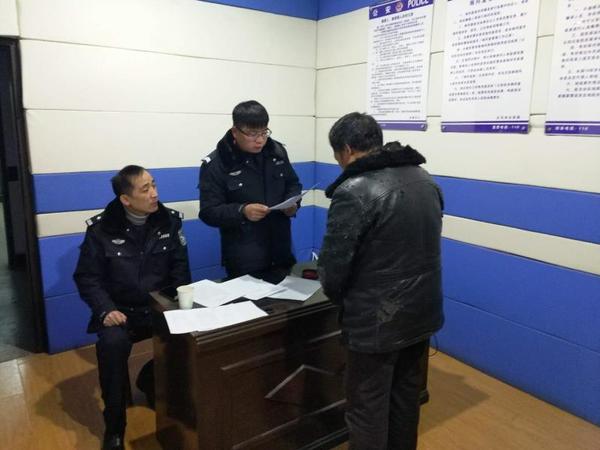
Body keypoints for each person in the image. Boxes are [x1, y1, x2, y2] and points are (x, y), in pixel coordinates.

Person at [317, 113, 444, 450]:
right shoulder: (423, 178)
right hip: (421, 312)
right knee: (405, 400)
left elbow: (333, 269)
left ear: (346, 150)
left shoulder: (354, 190)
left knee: (366, 408)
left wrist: (339, 295)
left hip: (376, 321)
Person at [73, 165, 191, 450]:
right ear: (126, 199)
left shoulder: (169, 221)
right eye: (145, 189)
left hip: (159, 307)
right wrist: (105, 310)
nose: (155, 194)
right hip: (120, 312)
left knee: (192, 338)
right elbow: (87, 277)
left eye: (154, 185)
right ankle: (115, 427)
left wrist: (177, 305)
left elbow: (180, 270)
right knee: (111, 346)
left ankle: (152, 383)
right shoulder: (101, 229)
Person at [199, 100, 302, 283]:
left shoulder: (277, 152)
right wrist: (242, 211)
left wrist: (293, 204)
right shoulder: (217, 164)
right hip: (244, 261)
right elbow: (208, 212)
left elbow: (293, 184)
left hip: (281, 253)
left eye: (264, 132)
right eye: (252, 134)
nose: (260, 140)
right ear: (235, 131)